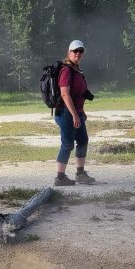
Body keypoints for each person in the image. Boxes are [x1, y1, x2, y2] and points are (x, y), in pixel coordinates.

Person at [53, 39, 96, 186]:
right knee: (67, 144)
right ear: (69, 52)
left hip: (75, 112)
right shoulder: (66, 70)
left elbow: (79, 94)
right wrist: (74, 115)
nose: (78, 53)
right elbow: (65, 94)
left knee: (83, 140)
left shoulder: (77, 70)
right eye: (75, 51)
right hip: (66, 113)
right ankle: (60, 177)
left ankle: (80, 174)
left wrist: (81, 111)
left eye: (81, 51)